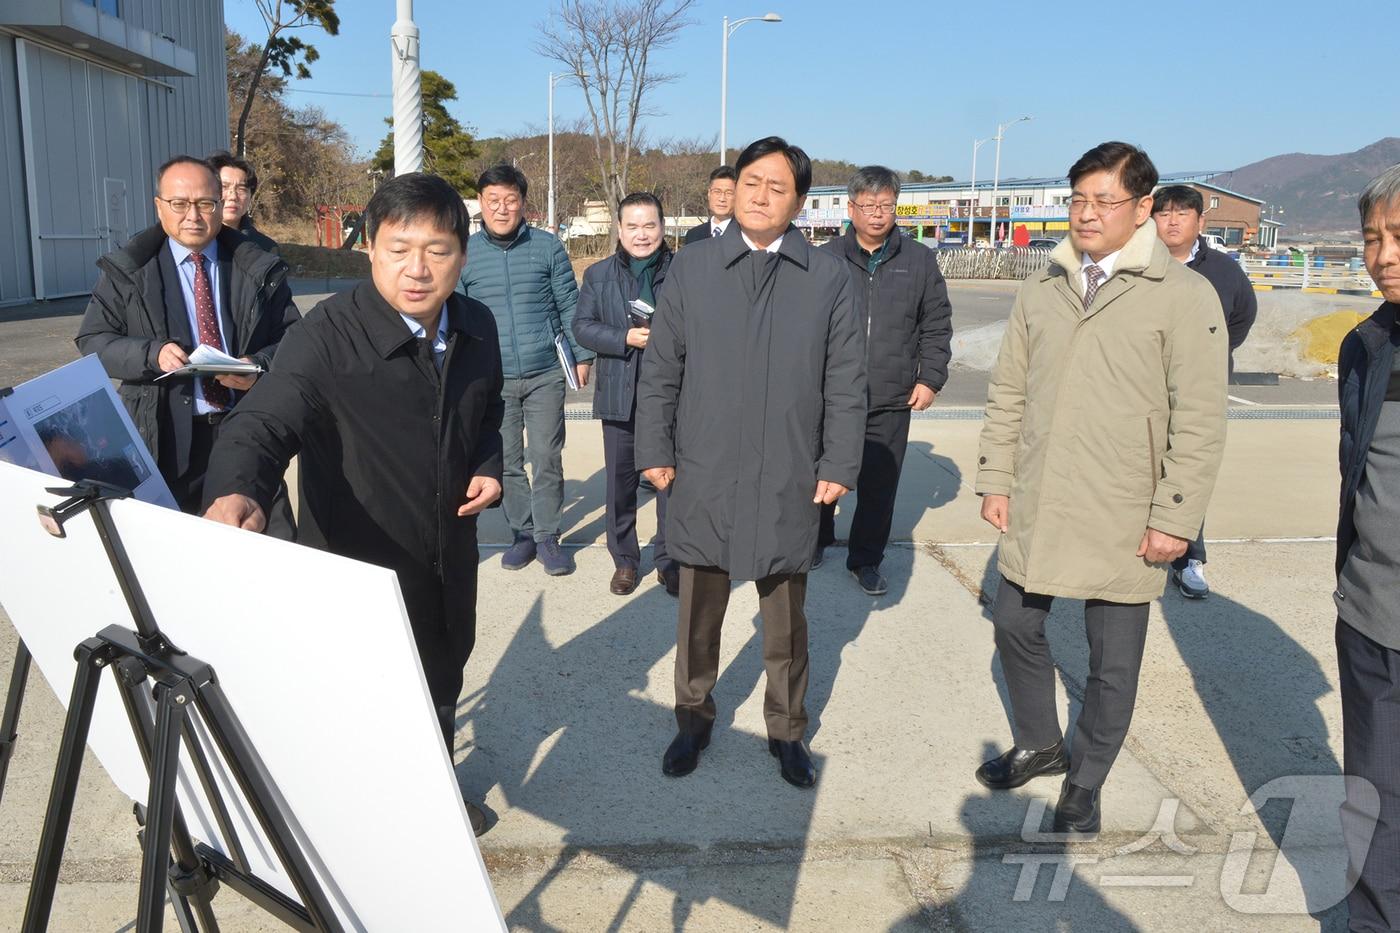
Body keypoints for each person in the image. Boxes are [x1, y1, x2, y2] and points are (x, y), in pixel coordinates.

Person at [202, 172, 504, 836]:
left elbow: (488, 413)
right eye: (399, 247)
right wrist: (236, 491)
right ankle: (361, 834)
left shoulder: (477, 325)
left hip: (449, 554)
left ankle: (434, 805)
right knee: (360, 709)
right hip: (359, 565)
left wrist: (487, 463)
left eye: (438, 249)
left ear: (463, 254)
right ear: (369, 246)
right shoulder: (329, 336)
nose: (417, 269)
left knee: (443, 676)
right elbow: (260, 423)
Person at [974, 141, 1227, 835]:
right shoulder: (1044, 286)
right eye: (1078, 199)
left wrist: (1175, 518)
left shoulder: (1183, 295)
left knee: (1111, 662)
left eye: (1103, 201)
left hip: (1127, 505)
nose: (1086, 214)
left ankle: (1084, 779)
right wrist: (996, 476)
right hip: (1042, 494)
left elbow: (1200, 420)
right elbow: (1009, 393)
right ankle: (1040, 741)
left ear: (1143, 207)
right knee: (1014, 620)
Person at [636, 136, 866, 789]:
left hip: (790, 469)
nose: (763, 195)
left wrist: (839, 459)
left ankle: (787, 729)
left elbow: (847, 381)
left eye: (779, 187)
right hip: (703, 464)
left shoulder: (827, 278)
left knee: (786, 615)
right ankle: (692, 717)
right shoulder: (693, 267)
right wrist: (654, 447)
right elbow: (661, 369)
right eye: (752, 182)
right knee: (697, 608)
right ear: (732, 189)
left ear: (798, 201)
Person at [75, 155, 298, 534]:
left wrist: (256, 366)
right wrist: (151, 354)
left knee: (261, 540)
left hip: (243, 427)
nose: (192, 215)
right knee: (168, 549)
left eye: (204, 204)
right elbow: (93, 339)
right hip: (163, 432)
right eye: (179, 204)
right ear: (159, 206)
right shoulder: (129, 269)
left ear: (220, 203)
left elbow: (295, 339)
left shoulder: (258, 267)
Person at [816, 165, 953, 595]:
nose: (877, 214)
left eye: (886, 205)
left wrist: (930, 377)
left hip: (892, 396)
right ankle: (814, 540)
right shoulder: (825, 260)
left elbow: (936, 324)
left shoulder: (918, 260)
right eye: (868, 205)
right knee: (819, 474)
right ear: (851, 207)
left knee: (879, 487)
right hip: (831, 394)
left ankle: (866, 559)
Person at [459, 164, 593, 576]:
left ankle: (549, 536)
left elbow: (569, 302)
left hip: (544, 372)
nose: (502, 208)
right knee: (508, 460)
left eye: (510, 200)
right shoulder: (464, 251)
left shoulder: (547, 247)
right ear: (480, 203)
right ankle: (523, 533)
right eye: (493, 200)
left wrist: (582, 354)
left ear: (523, 204)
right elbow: (457, 312)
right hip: (492, 377)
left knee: (546, 455)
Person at [1335, 163, 1400, 931]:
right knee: (1374, 804)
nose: (1383, 254)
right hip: (1372, 617)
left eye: (1398, 237)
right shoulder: (1366, 345)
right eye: (1372, 239)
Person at [1152, 184, 1259, 599]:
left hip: (1201, 389)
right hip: (1143, 386)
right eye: (1165, 213)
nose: (1173, 220)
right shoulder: (1139, 267)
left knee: (1188, 467)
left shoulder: (1224, 270)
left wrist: (1212, 352)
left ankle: (1189, 558)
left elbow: (1243, 315)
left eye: (1183, 213)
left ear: (1200, 221)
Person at [572, 192, 679, 597]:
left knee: (670, 482)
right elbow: (582, 327)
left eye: (649, 225)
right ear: (619, 229)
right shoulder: (599, 275)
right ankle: (625, 560)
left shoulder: (683, 270)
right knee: (620, 484)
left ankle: (669, 560)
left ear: (662, 227)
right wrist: (624, 337)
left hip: (671, 397)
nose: (641, 234)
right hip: (620, 393)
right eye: (632, 226)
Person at [207, 151, 278, 253]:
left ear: (251, 195)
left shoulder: (266, 248)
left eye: (241, 189)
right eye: (224, 187)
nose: (233, 196)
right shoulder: (194, 242)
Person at [683, 166, 737, 244]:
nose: (722, 199)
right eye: (717, 192)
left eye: (729, 193)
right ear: (709, 193)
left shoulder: (746, 235)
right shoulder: (693, 236)